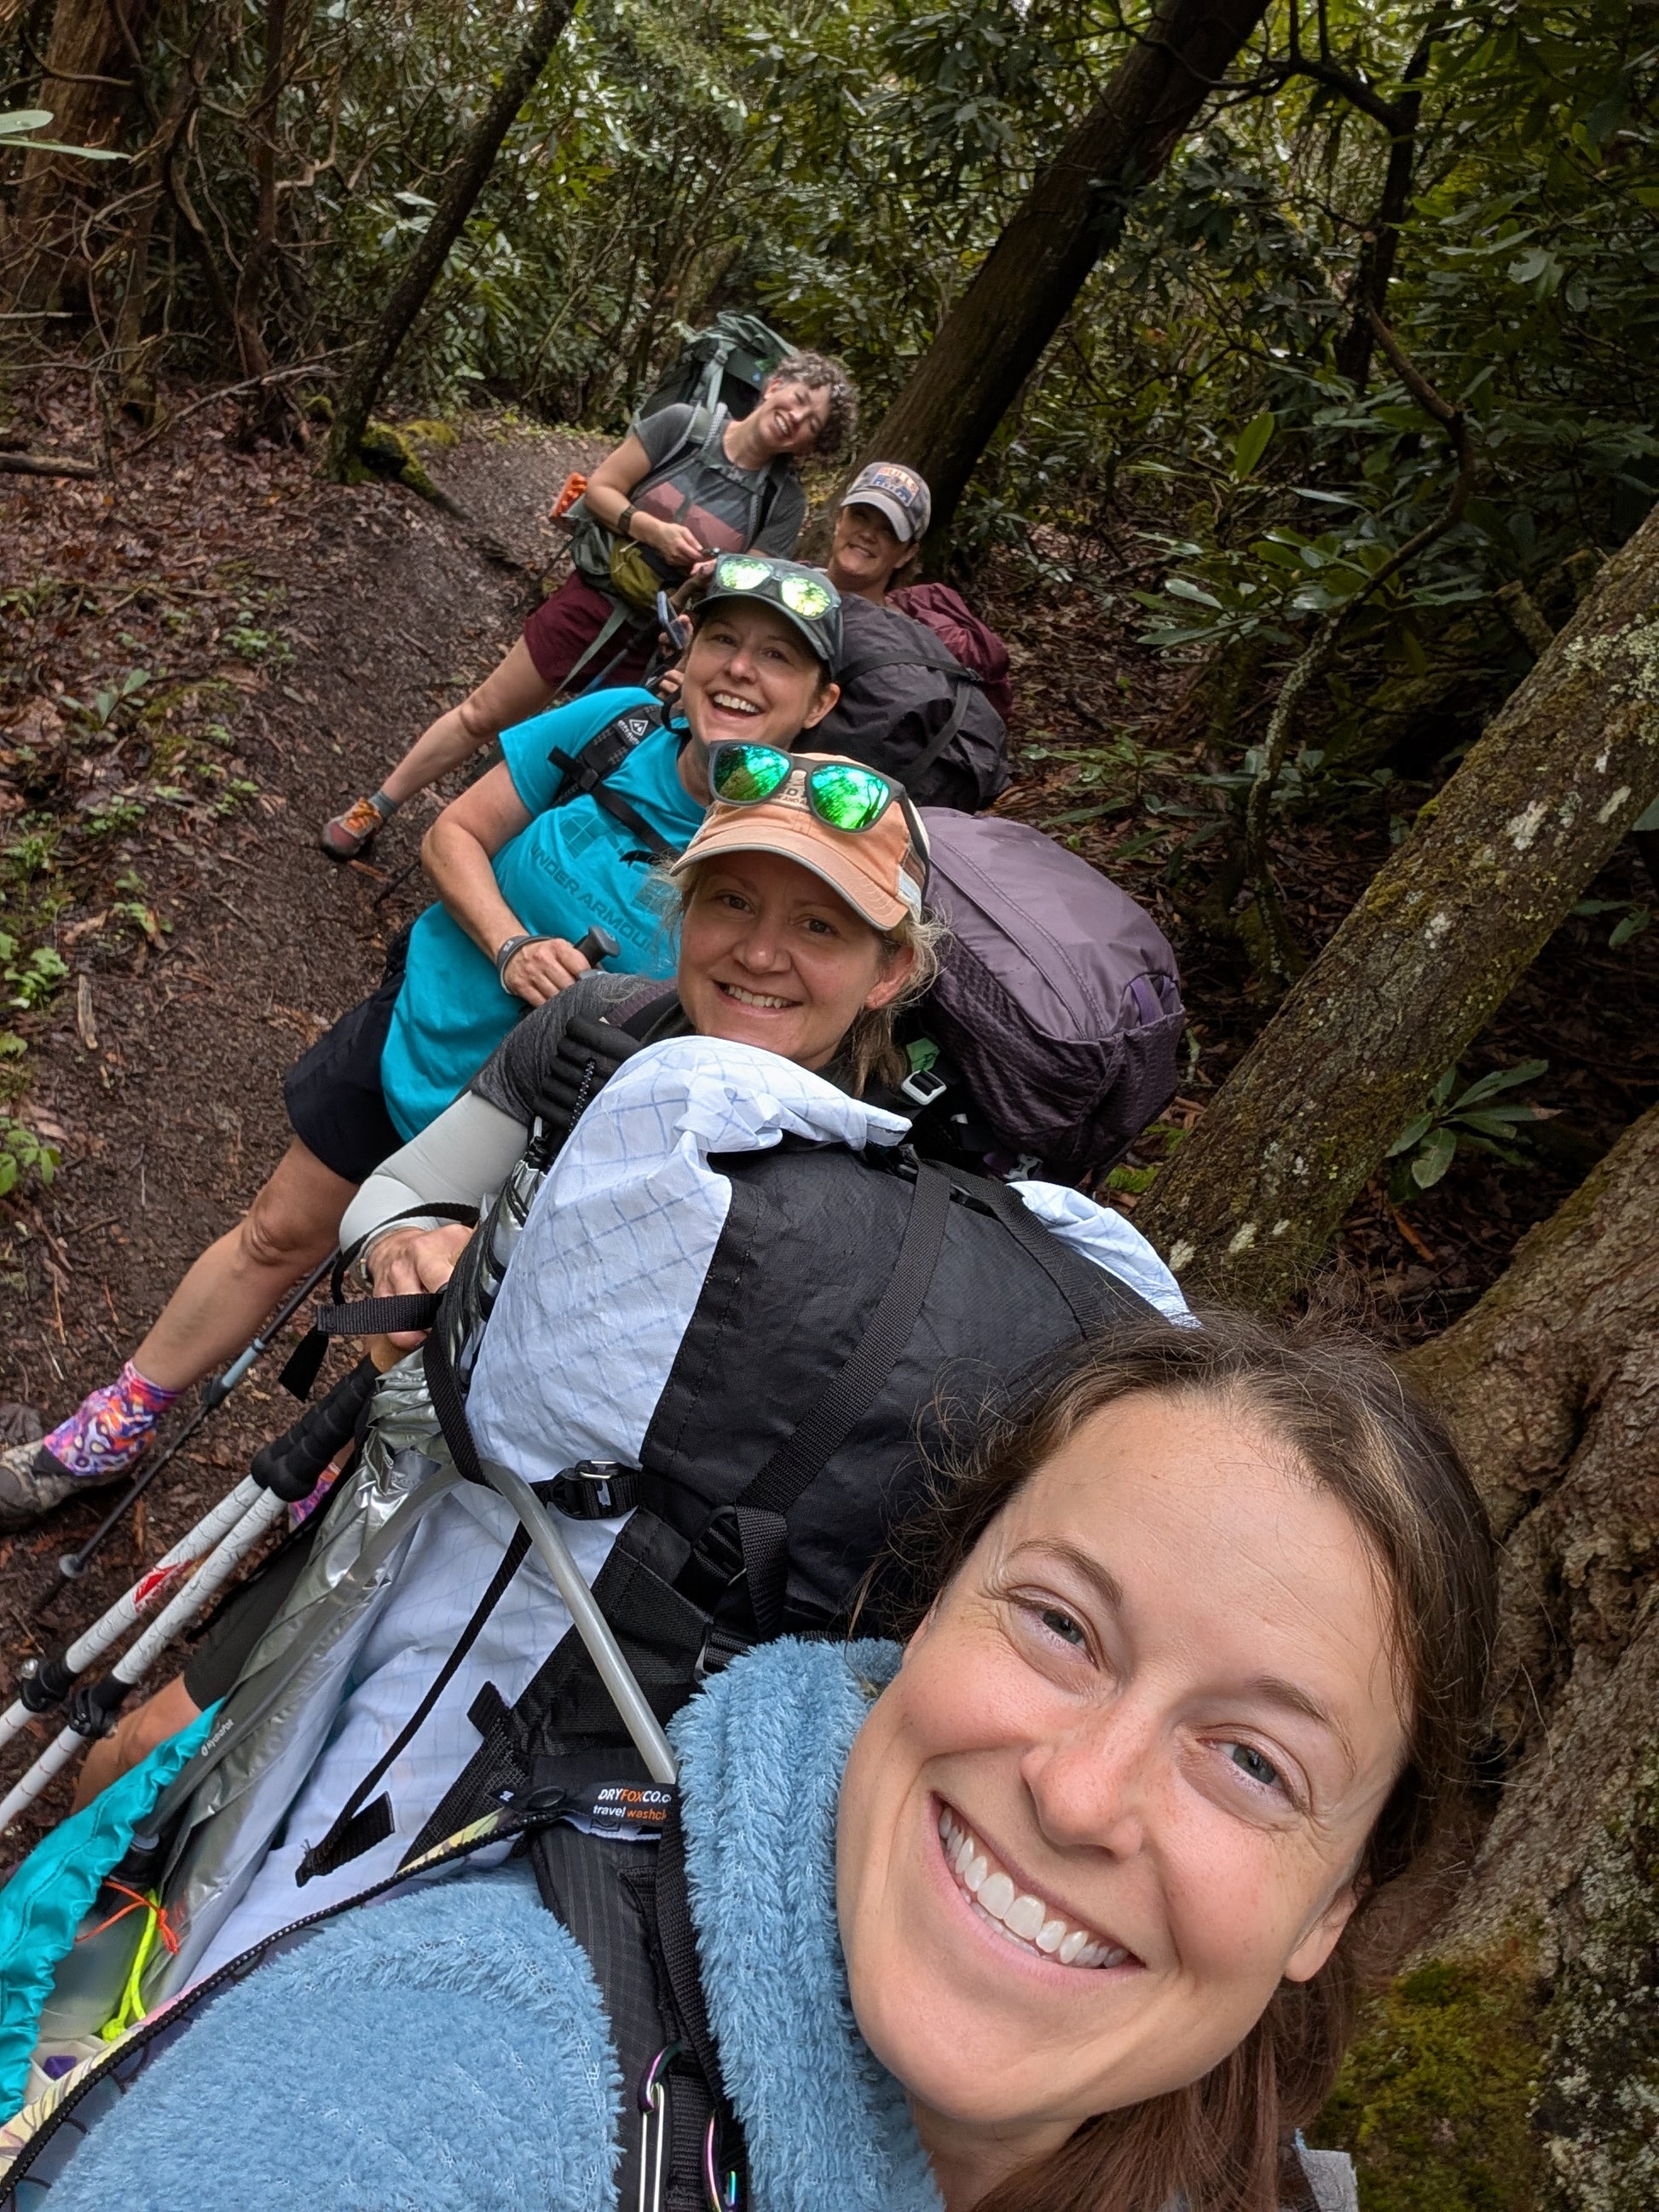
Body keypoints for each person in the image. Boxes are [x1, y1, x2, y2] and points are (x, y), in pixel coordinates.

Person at [7, 1314, 1497, 2212]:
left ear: (1332, 1914)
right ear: (923, 1614)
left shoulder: (1244, 2168)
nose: (1079, 1792)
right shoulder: (445, 2073)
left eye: (1251, 1762)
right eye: (1058, 1623)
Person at [65, 750, 943, 1810]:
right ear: (683, 907)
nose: (758, 952)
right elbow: (397, 1191)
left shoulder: (902, 1189)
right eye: (731, 901)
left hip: (618, 1645)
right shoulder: (600, 1024)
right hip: (432, 1496)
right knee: (133, 1776)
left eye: (820, 927)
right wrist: (409, 1246)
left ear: (886, 969)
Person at [0, 557, 847, 1528]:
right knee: (277, 1233)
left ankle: (288, 1514)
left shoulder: (787, 843)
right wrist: (510, 945)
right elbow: (455, 833)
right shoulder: (614, 728)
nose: (740, 670)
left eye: (776, 658)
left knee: (404, 1336)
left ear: (818, 700)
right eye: (725, 640)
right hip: (422, 1031)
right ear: (688, 650)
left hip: (537, 1131)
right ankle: (109, 1430)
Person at [319, 353, 858, 858]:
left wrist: (712, 578)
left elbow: (747, 590)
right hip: (591, 599)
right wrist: (651, 529)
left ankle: (494, 859)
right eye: (799, 397)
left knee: (583, 761)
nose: (797, 416)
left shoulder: (782, 504)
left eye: (813, 421)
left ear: (811, 446)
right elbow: (601, 487)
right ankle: (378, 805)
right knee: (484, 713)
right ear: (775, 384)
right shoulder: (682, 427)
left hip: (658, 643)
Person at [815, 459, 1014, 811]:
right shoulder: (784, 582)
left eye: (889, 531)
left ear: (907, 553)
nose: (868, 534)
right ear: (839, 520)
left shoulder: (905, 640)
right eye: (861, 516)